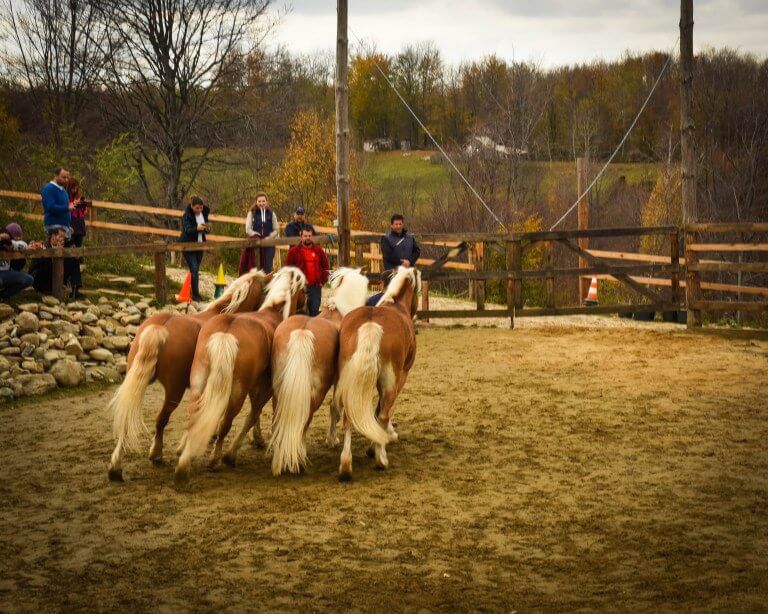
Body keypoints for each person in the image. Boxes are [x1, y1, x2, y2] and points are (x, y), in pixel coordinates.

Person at [285, 227, 329, 316]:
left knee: (314, 312)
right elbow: (287, 269)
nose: (308, 238)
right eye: (305, 236)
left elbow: (326, 266)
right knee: (299, 313)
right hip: (300, 287)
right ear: (301, 237)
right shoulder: (293, 251)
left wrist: (322, 281)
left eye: (309, 236)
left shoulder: (318, 250)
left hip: (315, 286)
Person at [28, 229, 82, 297]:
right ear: (53, 236)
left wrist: (74, 256)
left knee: (74, 261)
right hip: (40, 279)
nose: (62, 239)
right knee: (48, 262)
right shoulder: (43, 245)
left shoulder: (65, 245)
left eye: (64, 237)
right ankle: (49, 290)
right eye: (60, 236)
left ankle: (75, 289)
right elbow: (39, 266)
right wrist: (55, 252)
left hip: (54, 277)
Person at [239, 192, 280, 275]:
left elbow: (276, 229)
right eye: (259, 201)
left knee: (268, 267)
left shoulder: (272, 214)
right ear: (256, 202)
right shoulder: (252, 213)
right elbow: (248, 229)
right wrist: (256, 235)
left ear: (267, 201)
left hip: (269, 243)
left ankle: (266, 285)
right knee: (255, 266)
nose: (261, 203)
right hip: (255, 242)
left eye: (263, 201)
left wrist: (270, 236)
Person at [178, 195, 210, 302]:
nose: (199, 210)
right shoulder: (186, 216)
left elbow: (204, 227)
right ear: (192, 206)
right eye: (197, 208)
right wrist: (197, 228)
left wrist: (206, 229)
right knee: (194, 269)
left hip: (200, 244)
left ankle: (195, 293)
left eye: (201, 208)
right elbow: (187, 230)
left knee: (195, 270)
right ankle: (196, 295)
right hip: (188, 244)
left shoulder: (204, 214)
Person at [0, 224, 34, 300]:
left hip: (6, 272)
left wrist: (11, 244)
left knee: (28, 279)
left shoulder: (11, 243)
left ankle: (3, 295)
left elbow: (23, 244)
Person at [41, 167, 73, 237]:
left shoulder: (63, 190)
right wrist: (67, 208)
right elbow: (51, 207)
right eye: (63, 177)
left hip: (64, 227)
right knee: (55, 247)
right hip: (54, 226)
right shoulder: (49, 188)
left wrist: (67, 226)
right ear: (56, 176)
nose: (66, 180)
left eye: (67, 178)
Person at [67, 177, 90, 248]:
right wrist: (73, 204)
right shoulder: (65, 197)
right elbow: (65, 208)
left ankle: (78, 258)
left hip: (79, 224)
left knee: (79, 245)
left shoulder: (79, 197)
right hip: (71, 223)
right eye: (73, 188)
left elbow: (84, 212)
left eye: (76, 188)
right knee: (70, 245)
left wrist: (83, 206)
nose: (75, 190)